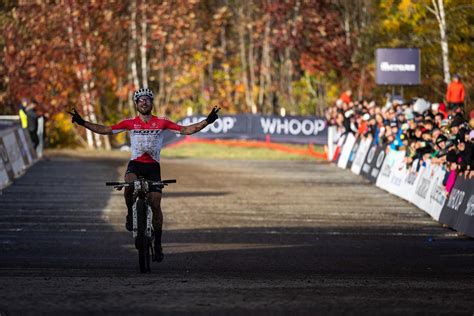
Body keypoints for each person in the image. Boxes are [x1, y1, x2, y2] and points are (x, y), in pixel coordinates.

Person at [68, 88, 220, 262]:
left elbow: (185, 130)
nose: (144, 103)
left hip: (153, 167)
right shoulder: (129, 123)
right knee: (129, 184)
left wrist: (207, 121)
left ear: (152, 103)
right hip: (136, 165)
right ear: (136, 104)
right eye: (140, 100)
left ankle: (158, 244)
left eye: (147, 100)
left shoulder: (161, 122)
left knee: (155, 204)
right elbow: (104, 129)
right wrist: (82, 122)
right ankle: (130, 214)